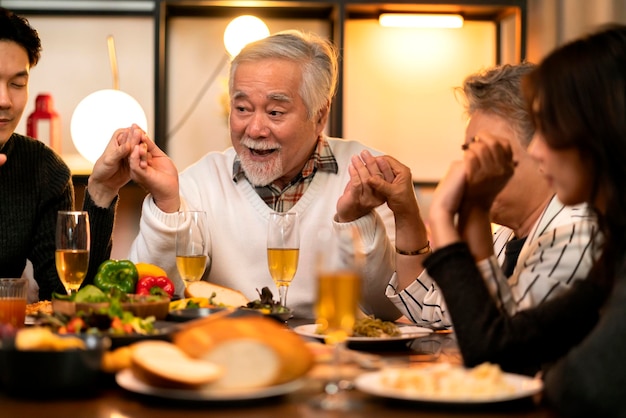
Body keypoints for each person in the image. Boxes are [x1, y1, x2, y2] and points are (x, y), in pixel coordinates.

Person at [412, 24, 626, 416]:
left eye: (549, 128)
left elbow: (581, 389)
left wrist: (443, 217)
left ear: (602, 130)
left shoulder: (584, 233)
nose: (537, 150)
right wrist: (464, 213)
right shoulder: (615, 258)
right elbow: (501, 352)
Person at [127, 29, 401, 320]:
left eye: (275, 112)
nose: (255, 129)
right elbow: (149, 300)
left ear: (319, 115)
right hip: (232, 353)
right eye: (242, 108)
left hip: (337, 354)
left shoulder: (363, 174)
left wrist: (359, 219)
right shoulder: (199, 182)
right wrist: (166, 204)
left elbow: (389, 308)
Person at [380, 63, 600, 328]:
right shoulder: (501, 238)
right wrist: (405, 212)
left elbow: (501, 342)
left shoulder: (576, 234)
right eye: (468, 151)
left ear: (542, 148)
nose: (470, 166)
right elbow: (431, 307)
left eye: (484, 151)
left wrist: (447, 214)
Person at [0, 7, 142, 301]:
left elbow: (67, 295)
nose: (5, 101)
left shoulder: (42, 169)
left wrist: (101, 191)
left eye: (17, 84)